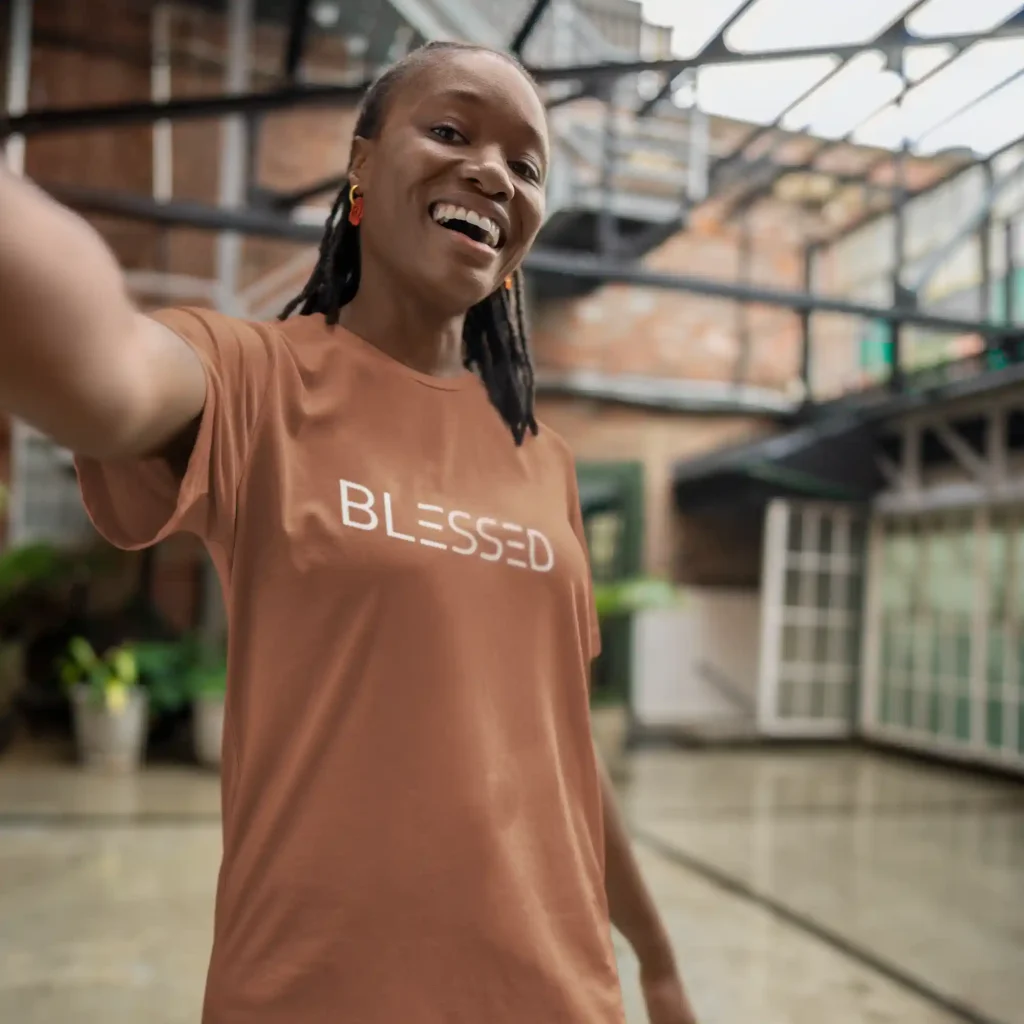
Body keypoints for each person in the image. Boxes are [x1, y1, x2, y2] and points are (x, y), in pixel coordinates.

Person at [0, 40, 697, 1024]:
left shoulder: (543, 461)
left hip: (556, 992)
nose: (492, 171)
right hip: (315, 995)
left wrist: (656, 957)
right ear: (361, 165)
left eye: (527, 163)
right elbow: (101, 367)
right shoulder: (256, 377)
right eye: (451, 130)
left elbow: (562, 746)